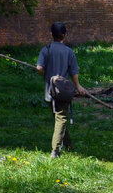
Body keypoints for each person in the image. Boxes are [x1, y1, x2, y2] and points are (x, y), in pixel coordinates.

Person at [36, 21, 87, 159]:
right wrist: (78, 86)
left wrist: (46, 76)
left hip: (49, 91)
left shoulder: (45, 49)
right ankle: (55, 151)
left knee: (59, 118)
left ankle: (69, 146)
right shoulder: (69, 52)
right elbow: (74, 72)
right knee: (61, 118)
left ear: (51, 34)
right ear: (64, 35)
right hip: (63, 91)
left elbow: (39, 68)